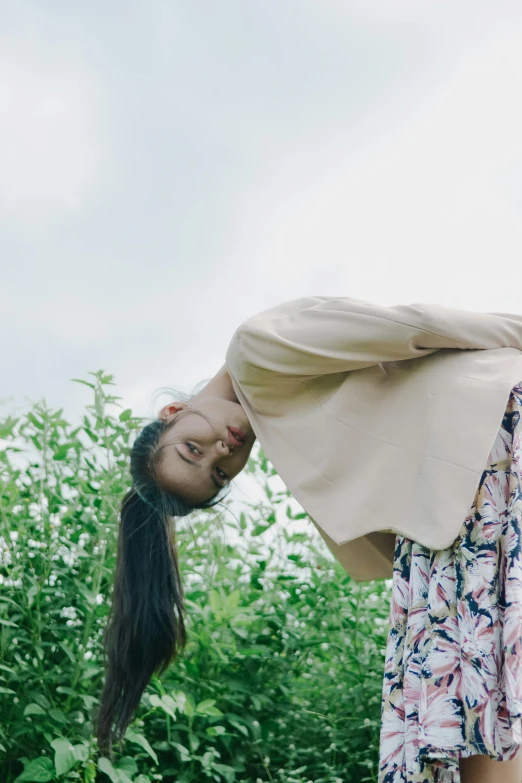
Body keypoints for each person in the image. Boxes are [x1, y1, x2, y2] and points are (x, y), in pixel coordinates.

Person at [97, 296, 522, 783]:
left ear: (173, 411)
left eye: (193, 448)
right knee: (462, 711)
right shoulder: (281, 432)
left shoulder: (254, 351)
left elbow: (412, 327)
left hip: (490, 438)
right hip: (458, 501)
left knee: (463, 710)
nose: (221, 452)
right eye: (217, 475)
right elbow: (375, 548)